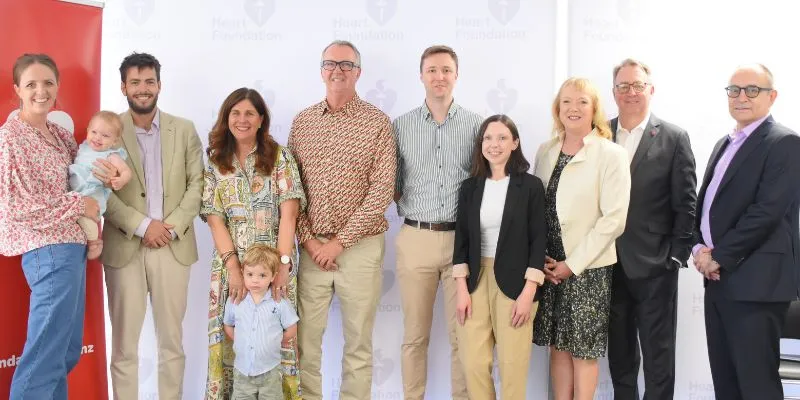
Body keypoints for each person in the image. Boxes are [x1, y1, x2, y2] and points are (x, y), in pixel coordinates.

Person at [288, 39, 396, 400]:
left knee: (359, 346)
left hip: (361, 248)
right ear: (321, 71)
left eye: (346, 65)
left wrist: (340, 242)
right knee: (305, 345)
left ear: (359, 73)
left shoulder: (378, 123)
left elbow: (382, 191)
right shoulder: (302, 123)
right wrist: (310, 241)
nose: (337, 70)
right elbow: (291, 190)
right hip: (312, 247)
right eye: (330, 63)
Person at [96, 52, 204, 400]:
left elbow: (197, 185)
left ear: (159, 84)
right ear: (123, 87)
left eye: (149, 82)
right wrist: (144, 226)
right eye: (135, 82)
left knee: (171, 343)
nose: (143, 89)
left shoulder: (184, 129)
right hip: (124, 248)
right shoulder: (108, 129)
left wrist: (168, 227)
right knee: (125, 347)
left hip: (172, 248)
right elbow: (98, 189)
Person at [693, 64, 800, 400]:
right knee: (727, 383)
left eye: (752, 90)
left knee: (757, 386)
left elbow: (766, 212)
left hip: (756, 283)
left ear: (772, 97)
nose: (741, 97)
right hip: (719, 280)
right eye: (734, 90)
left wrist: (719, 256)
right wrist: (699, 249)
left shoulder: (784, 142)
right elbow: (706, 206)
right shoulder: (724, 143)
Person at [0, 53, 101, 400]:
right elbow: (18, 208)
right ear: (17, 90)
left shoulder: (60, 135)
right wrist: (81, 205)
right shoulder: (11, 137)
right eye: (31, 84)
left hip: (73, 249)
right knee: (44, 358)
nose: (40, 91)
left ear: (57, 86)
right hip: (48, 252)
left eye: (48, 83)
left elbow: (83, 177)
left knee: (64, 353)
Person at [202, 87, 306, 399]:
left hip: (275, 266)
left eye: (250, 113)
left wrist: (282, 266)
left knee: (277, 339)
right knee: (231, 340)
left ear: (261, 119)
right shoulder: (215, 160)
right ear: (226, 118)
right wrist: (234, 268)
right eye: (235, 113)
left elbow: (289, 215)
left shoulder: (280, 157)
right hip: (229, 267)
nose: (242, 119)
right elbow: (214, 217)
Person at [392, 44, 482, 400]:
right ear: (421, 76)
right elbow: (392, 183)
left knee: (464, 336)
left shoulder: (477, 125)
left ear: (456, 76)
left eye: (446, 70)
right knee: (415, 336)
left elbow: (483, 182)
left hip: (462, 241)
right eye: (432, 70)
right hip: (416, 238)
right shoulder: (401, 126)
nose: (439, 77)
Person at [532, 77, 631, 400]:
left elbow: (613, 220)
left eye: (582, 102)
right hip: (550, 267)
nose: (573, 109)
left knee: (582, 351)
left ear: (595, 110)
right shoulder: (546, 151)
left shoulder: (611, 154)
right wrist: (543, 260)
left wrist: (571, 265)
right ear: (557, 109)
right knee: (558, 345)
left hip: (586, 268)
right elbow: (536, 207)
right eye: (566, 102)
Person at [606, 59, 697, 400]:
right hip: (607, 265)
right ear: (614, 92)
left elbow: (686, 203)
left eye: (637, 85)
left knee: (659, 360)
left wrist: (676, 256)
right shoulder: (599, 132)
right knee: (620, 357)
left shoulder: (674, 137)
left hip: (656, 266)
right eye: (623, 86)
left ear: (651, 89)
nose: (630, 92)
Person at [451, 114, 546, 400]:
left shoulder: (530, 186)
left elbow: (538, 240)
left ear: (515, 143)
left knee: (512, 366)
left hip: (516, 284)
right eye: (488, 138)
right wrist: (461, 290)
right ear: (481, 144)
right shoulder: (470, 187)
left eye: (503, 137)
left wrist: (529, 292)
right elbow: (461, 241)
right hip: (475, 281)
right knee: (474, 363)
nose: (495, 144)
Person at [223, 244, 300, 400]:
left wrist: (273, 340)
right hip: (242, 369)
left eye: (262, 275)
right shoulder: (235, 301)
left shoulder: (279, 303)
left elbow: (292, 329)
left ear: (273, 276)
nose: (255, 280)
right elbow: (228, 324)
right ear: (243, 272)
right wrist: (240, 339)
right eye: (250, 274)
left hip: (269, 370)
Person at [69, 110, 133, 259]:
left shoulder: (111, 156)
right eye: (94, 132)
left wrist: (121, 180)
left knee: (85, 219)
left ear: (115, 141)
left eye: (105, 136)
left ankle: (94, 242)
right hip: (75, 191)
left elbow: (126, 171)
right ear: (88, 131)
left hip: (92, 193)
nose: (98, 138)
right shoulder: (84, 146)